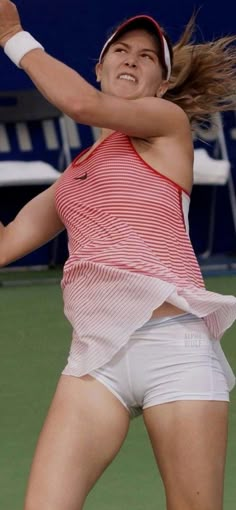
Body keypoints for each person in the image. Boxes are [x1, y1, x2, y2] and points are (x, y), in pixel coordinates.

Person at [0, 1, 236, 509]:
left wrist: (14, 37)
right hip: (95, 361)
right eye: (121, 51)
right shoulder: (74, 180)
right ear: (100, 67)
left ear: (163, 84)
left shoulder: (165, 123)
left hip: (175, 349)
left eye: (148, 57)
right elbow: (5, 244)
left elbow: (81, 106)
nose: (132, 60)